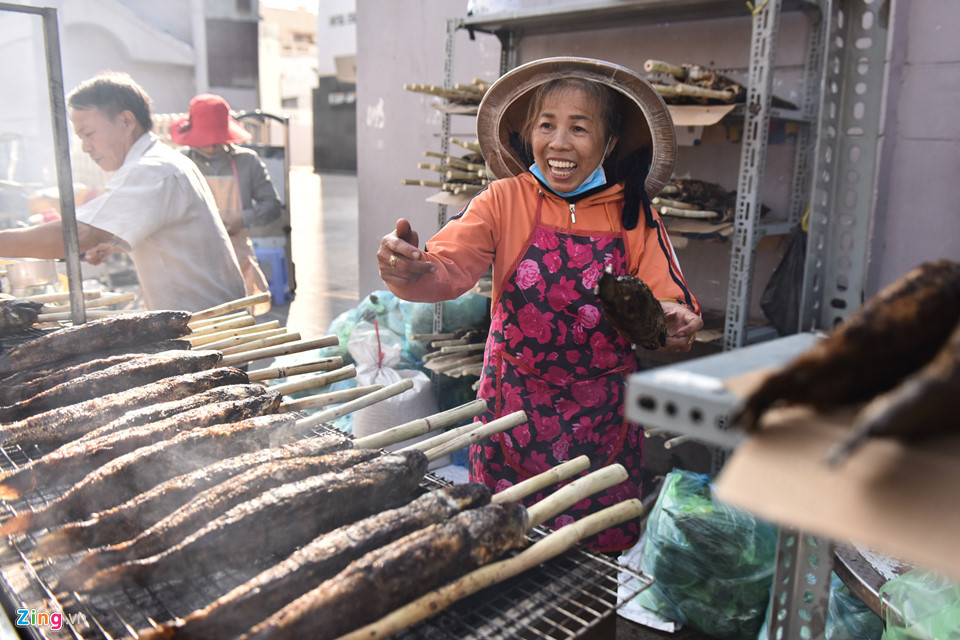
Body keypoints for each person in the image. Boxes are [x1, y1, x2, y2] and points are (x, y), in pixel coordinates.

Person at [379, 57, 703, 552]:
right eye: (546, 125)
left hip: (602, 422)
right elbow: (446, 268)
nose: (559, 143)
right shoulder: (503, 199)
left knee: (590, 559)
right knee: (502, 545)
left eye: (579, 127)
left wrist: (673, 320)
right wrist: (411, 268)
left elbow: (666, 300)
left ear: (609, 143)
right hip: (514, 411)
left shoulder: (635, 215)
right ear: (529, 133)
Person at [0, 72, 246, 313]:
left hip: (207, 324)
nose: (85, 147)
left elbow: (79, 234)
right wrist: (112, 243)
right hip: (212, 314)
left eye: (89, 134)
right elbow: (172, 235)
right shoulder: (163, 160)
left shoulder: (152, 170)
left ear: (127, 121)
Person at [172, 94, 282, 315]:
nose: (212, 145)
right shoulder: (179, 164)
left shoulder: (247, 162)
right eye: (206, 138)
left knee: (237, 324)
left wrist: (242, 218)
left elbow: (272, 206)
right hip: (191, 263)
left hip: (237, 260)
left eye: (216, 137)